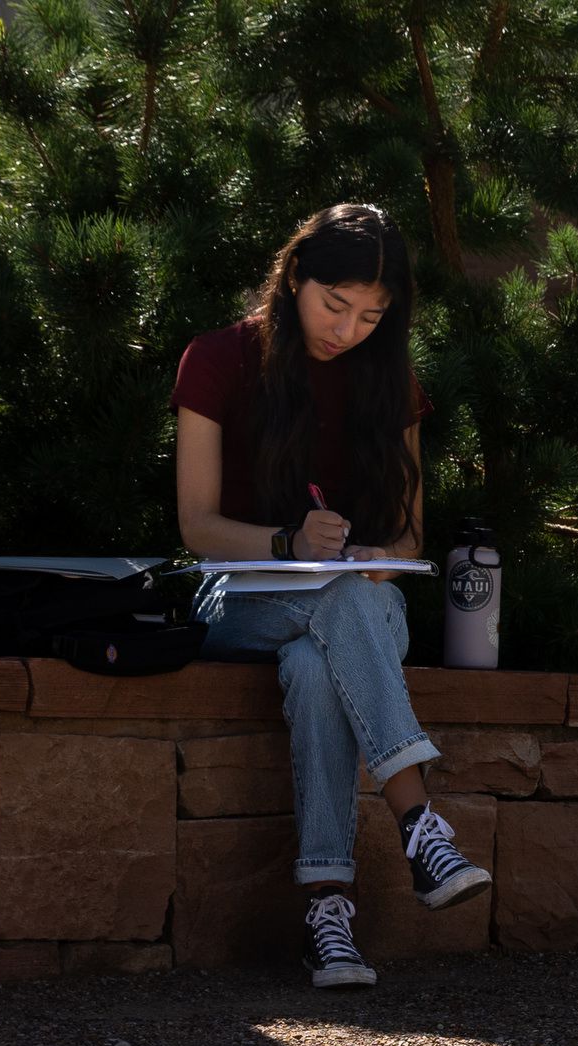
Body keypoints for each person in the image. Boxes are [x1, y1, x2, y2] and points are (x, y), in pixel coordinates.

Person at [173, 202, 488, 990]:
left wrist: (383, 556)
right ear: (294, 279)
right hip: (237, 599)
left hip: (355, 607)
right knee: (342, 606)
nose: (348, 330)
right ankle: (419, 822)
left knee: (319, 663)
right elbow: (197, 526)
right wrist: (287, 543)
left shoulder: (389, 380)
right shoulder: (216, 359)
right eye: (335, 305)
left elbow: (411, 537)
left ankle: (328, 915)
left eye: (372, 317)